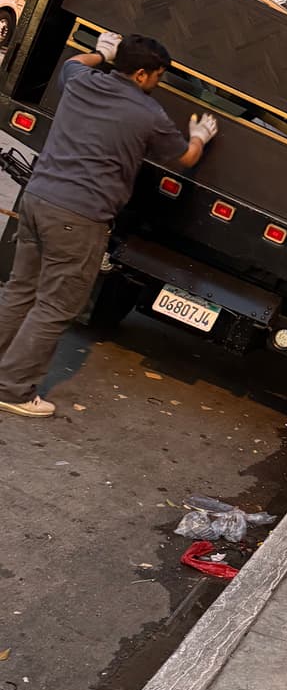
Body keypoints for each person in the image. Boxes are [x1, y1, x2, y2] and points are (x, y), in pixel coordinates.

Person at [0, 31, 218, 418]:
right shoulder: (149, 115)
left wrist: (100, 54)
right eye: (158, 75)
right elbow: (184, 157)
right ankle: (12, 388)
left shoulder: (83, 82)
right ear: (142, 75)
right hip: (79, 217)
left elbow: (72, 63)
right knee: (54, 306)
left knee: (20, 291)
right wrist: (200, 136)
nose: (159, 82)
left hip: (38, 198)